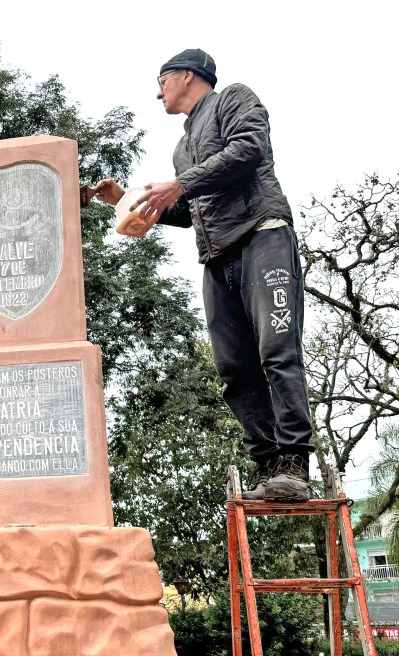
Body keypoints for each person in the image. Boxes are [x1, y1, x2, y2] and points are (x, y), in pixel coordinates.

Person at [86, 49, 313, 501]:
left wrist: (183, 182)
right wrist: (123, 200)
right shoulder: (182, 147)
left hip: (261, 236)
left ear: (187, 75)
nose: (158, 92)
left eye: (162, 80)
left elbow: (248, 150)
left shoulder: (234, 99)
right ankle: (269, 468)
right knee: (233, 368)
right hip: (216, 256)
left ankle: (294, 464)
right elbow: (187, 211)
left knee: (277, 351)